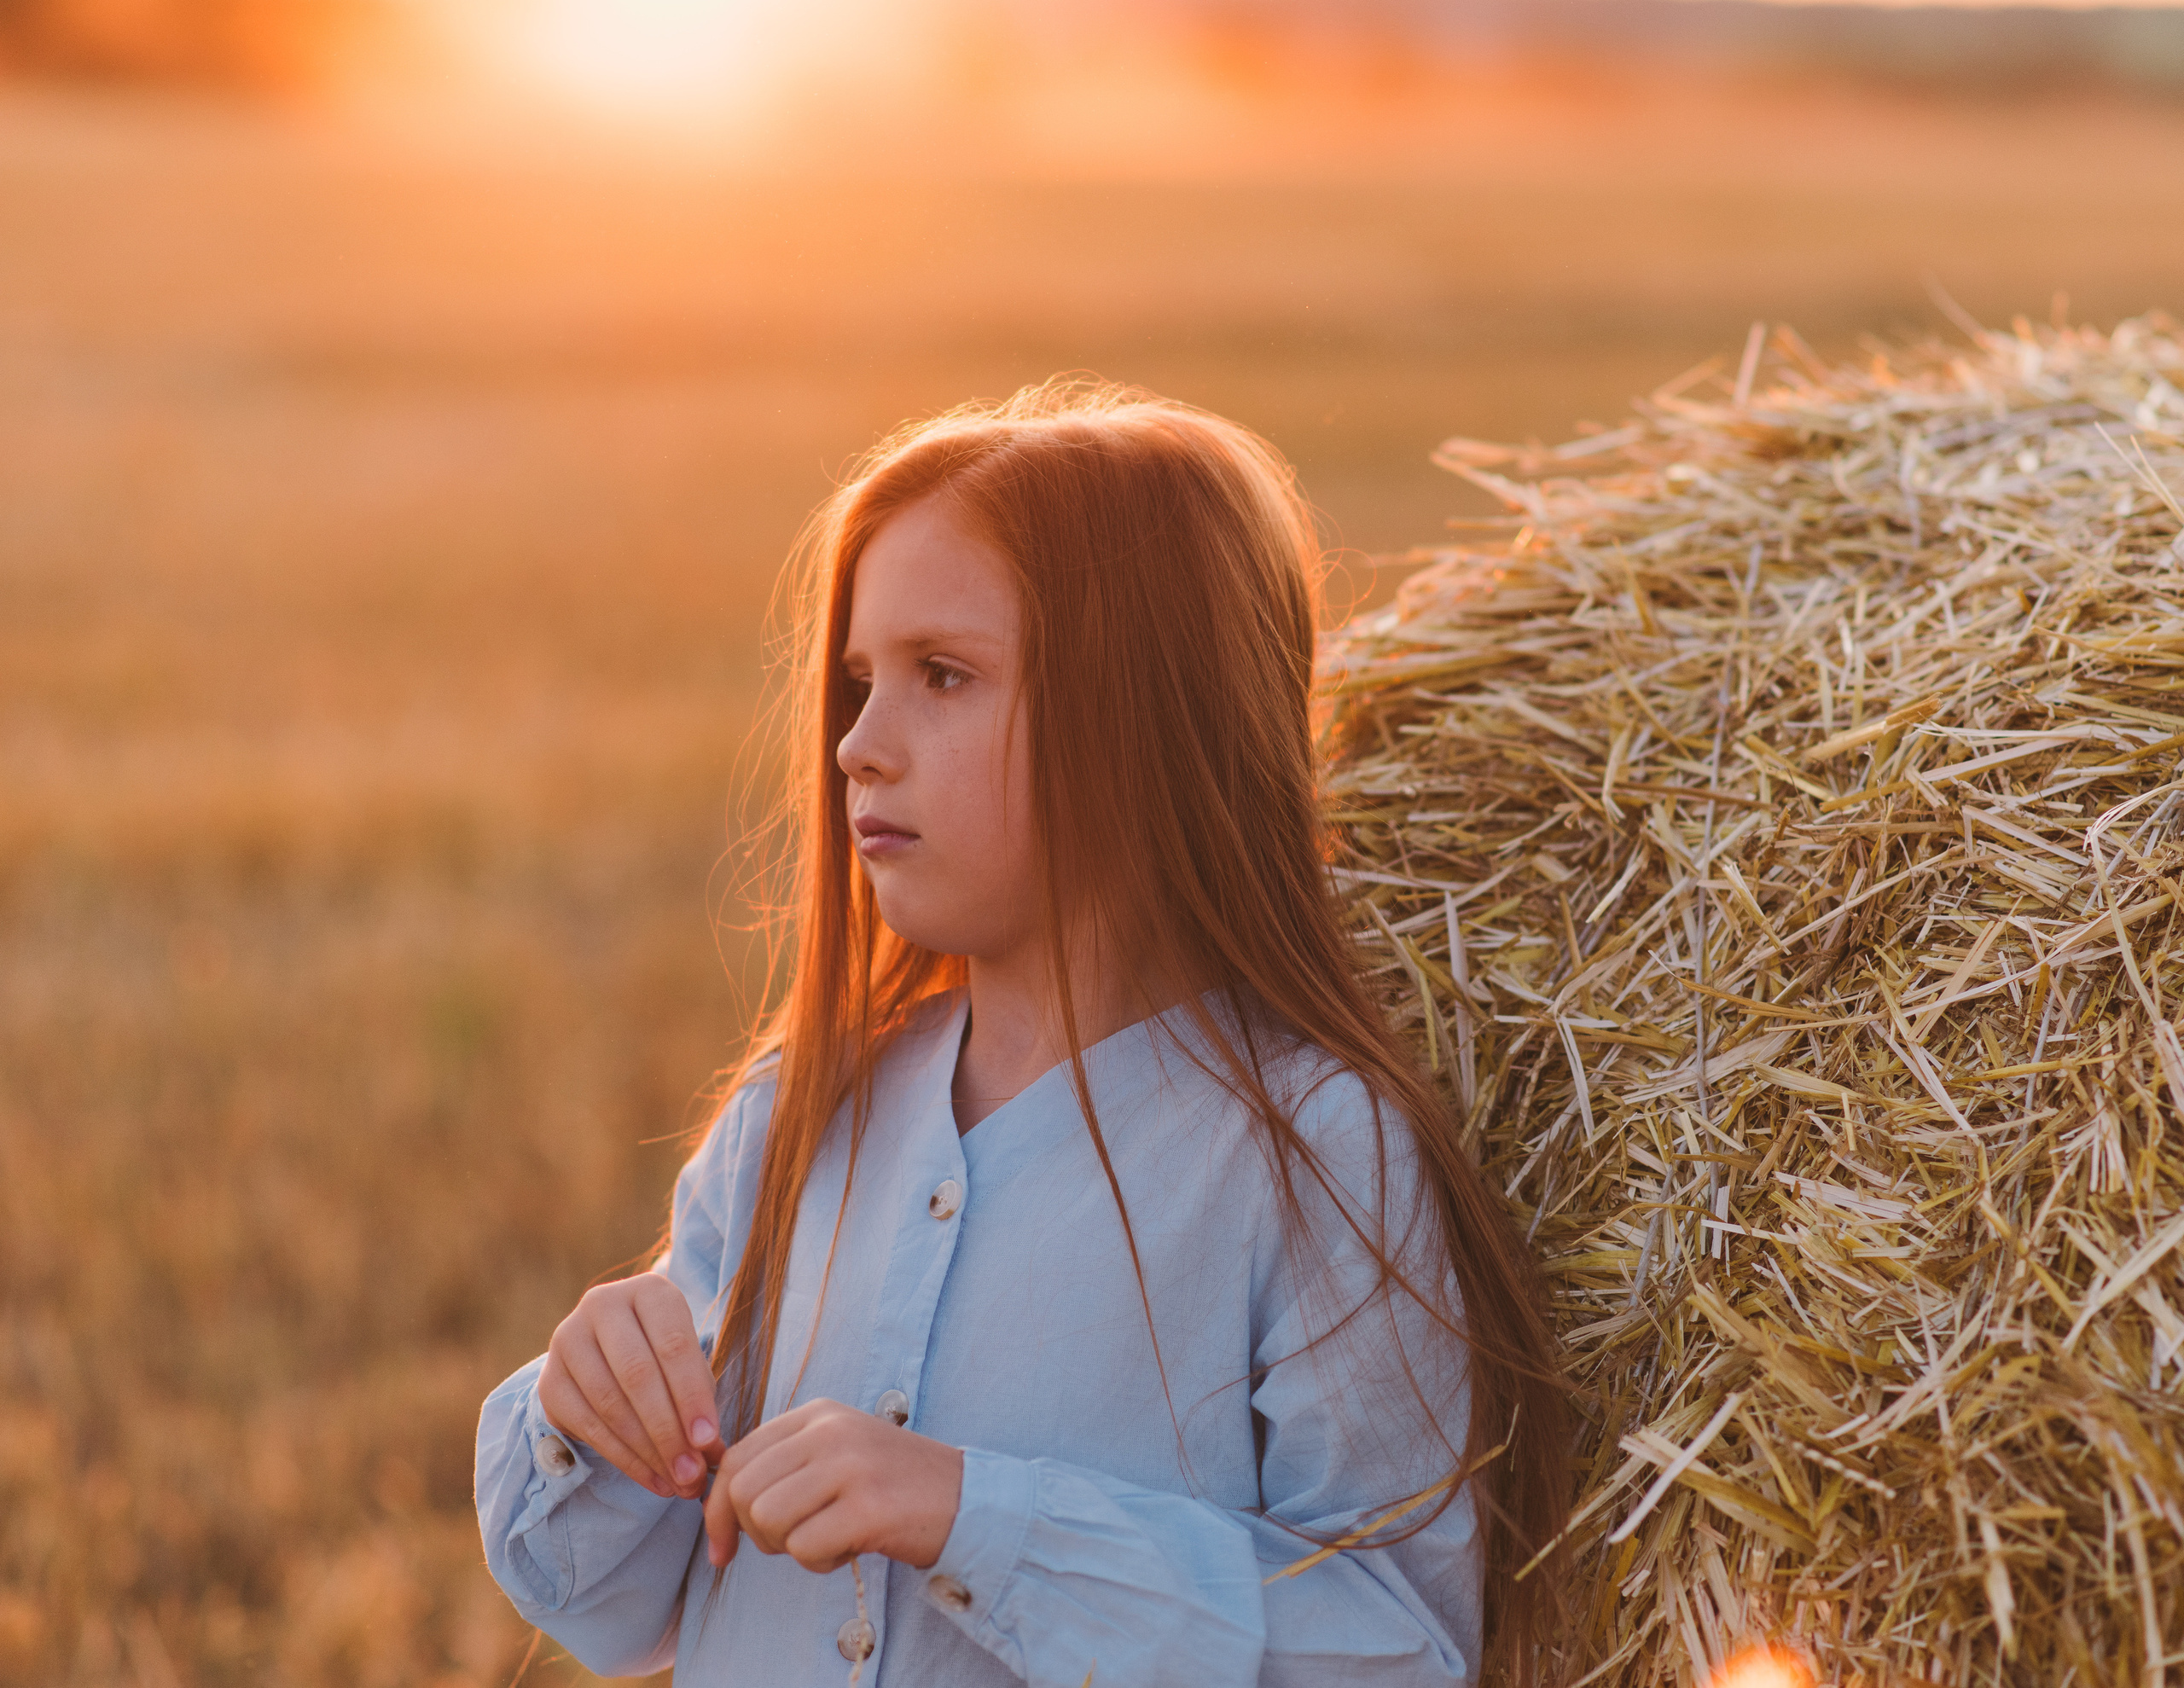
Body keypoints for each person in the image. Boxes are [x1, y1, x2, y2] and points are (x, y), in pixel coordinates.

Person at [474, 381, 1568, 1685]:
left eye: (943, 676)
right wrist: (586, 1409)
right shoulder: (794, 1117)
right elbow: (608, 1603)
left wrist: (975, 1518)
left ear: (1147, 716)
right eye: (859, 683)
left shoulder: (1318, 1158)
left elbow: (1396, 1652)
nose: (857, 747)